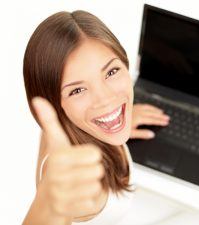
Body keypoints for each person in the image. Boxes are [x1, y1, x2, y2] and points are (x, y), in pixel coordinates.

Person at [22, 10, 170, 225]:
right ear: (54, 105)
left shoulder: (60, 124)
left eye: (111, 72)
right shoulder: (81, 189)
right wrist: (46, 202)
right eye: (77, 91)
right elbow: (57, 204)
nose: (106, 99)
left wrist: (121, 115)